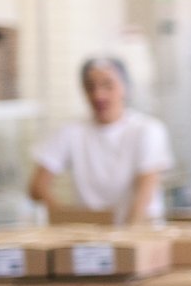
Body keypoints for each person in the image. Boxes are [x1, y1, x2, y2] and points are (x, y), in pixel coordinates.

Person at [28, 55, 173, 223]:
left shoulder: (148, 130)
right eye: (90, 87)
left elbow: (146, 190)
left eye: (107, 85)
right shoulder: (71, 132)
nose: (98, 95)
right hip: (92, 239)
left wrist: (126, 238)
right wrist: (66, 221)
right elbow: (37, 187)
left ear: (126, 88)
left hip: (141, 231)